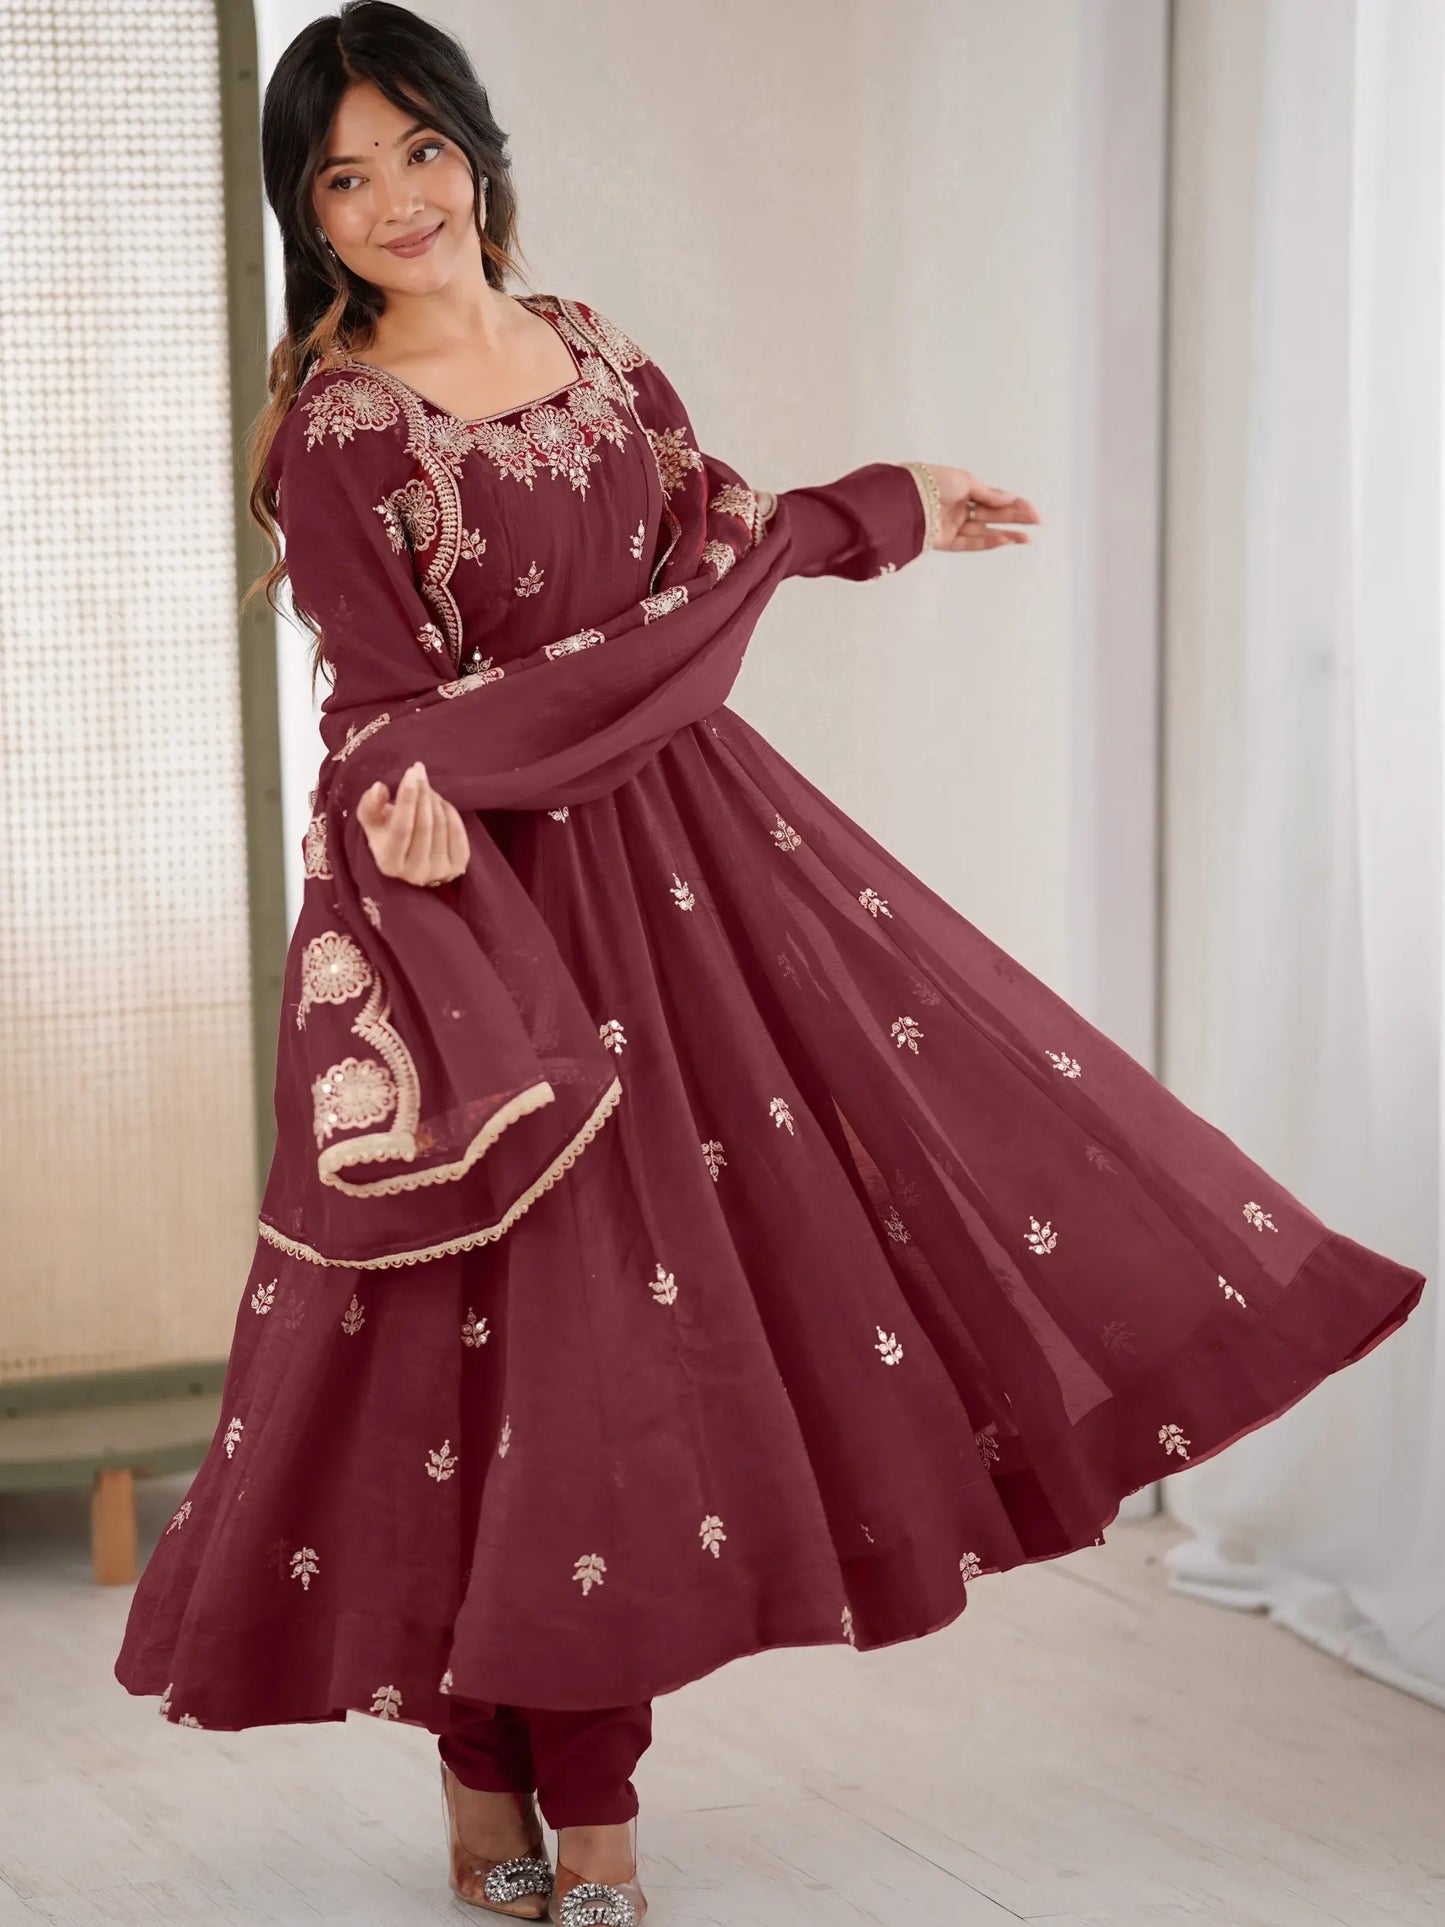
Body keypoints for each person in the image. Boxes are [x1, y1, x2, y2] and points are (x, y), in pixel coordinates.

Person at [114, 5, 1428, 1923]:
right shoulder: (335, 427)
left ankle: (596, 1806)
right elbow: (388, 723)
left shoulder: (596, 355)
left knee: (645, 1345)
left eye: (416, 150)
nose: (393, 199)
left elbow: (696, 562)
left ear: (476, 150)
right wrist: (405, 809)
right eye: (340, 174)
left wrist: (868, 516)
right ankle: (495, 1788)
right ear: (304, 216)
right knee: (481, 1366)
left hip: (678, 884)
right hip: (465, 914)